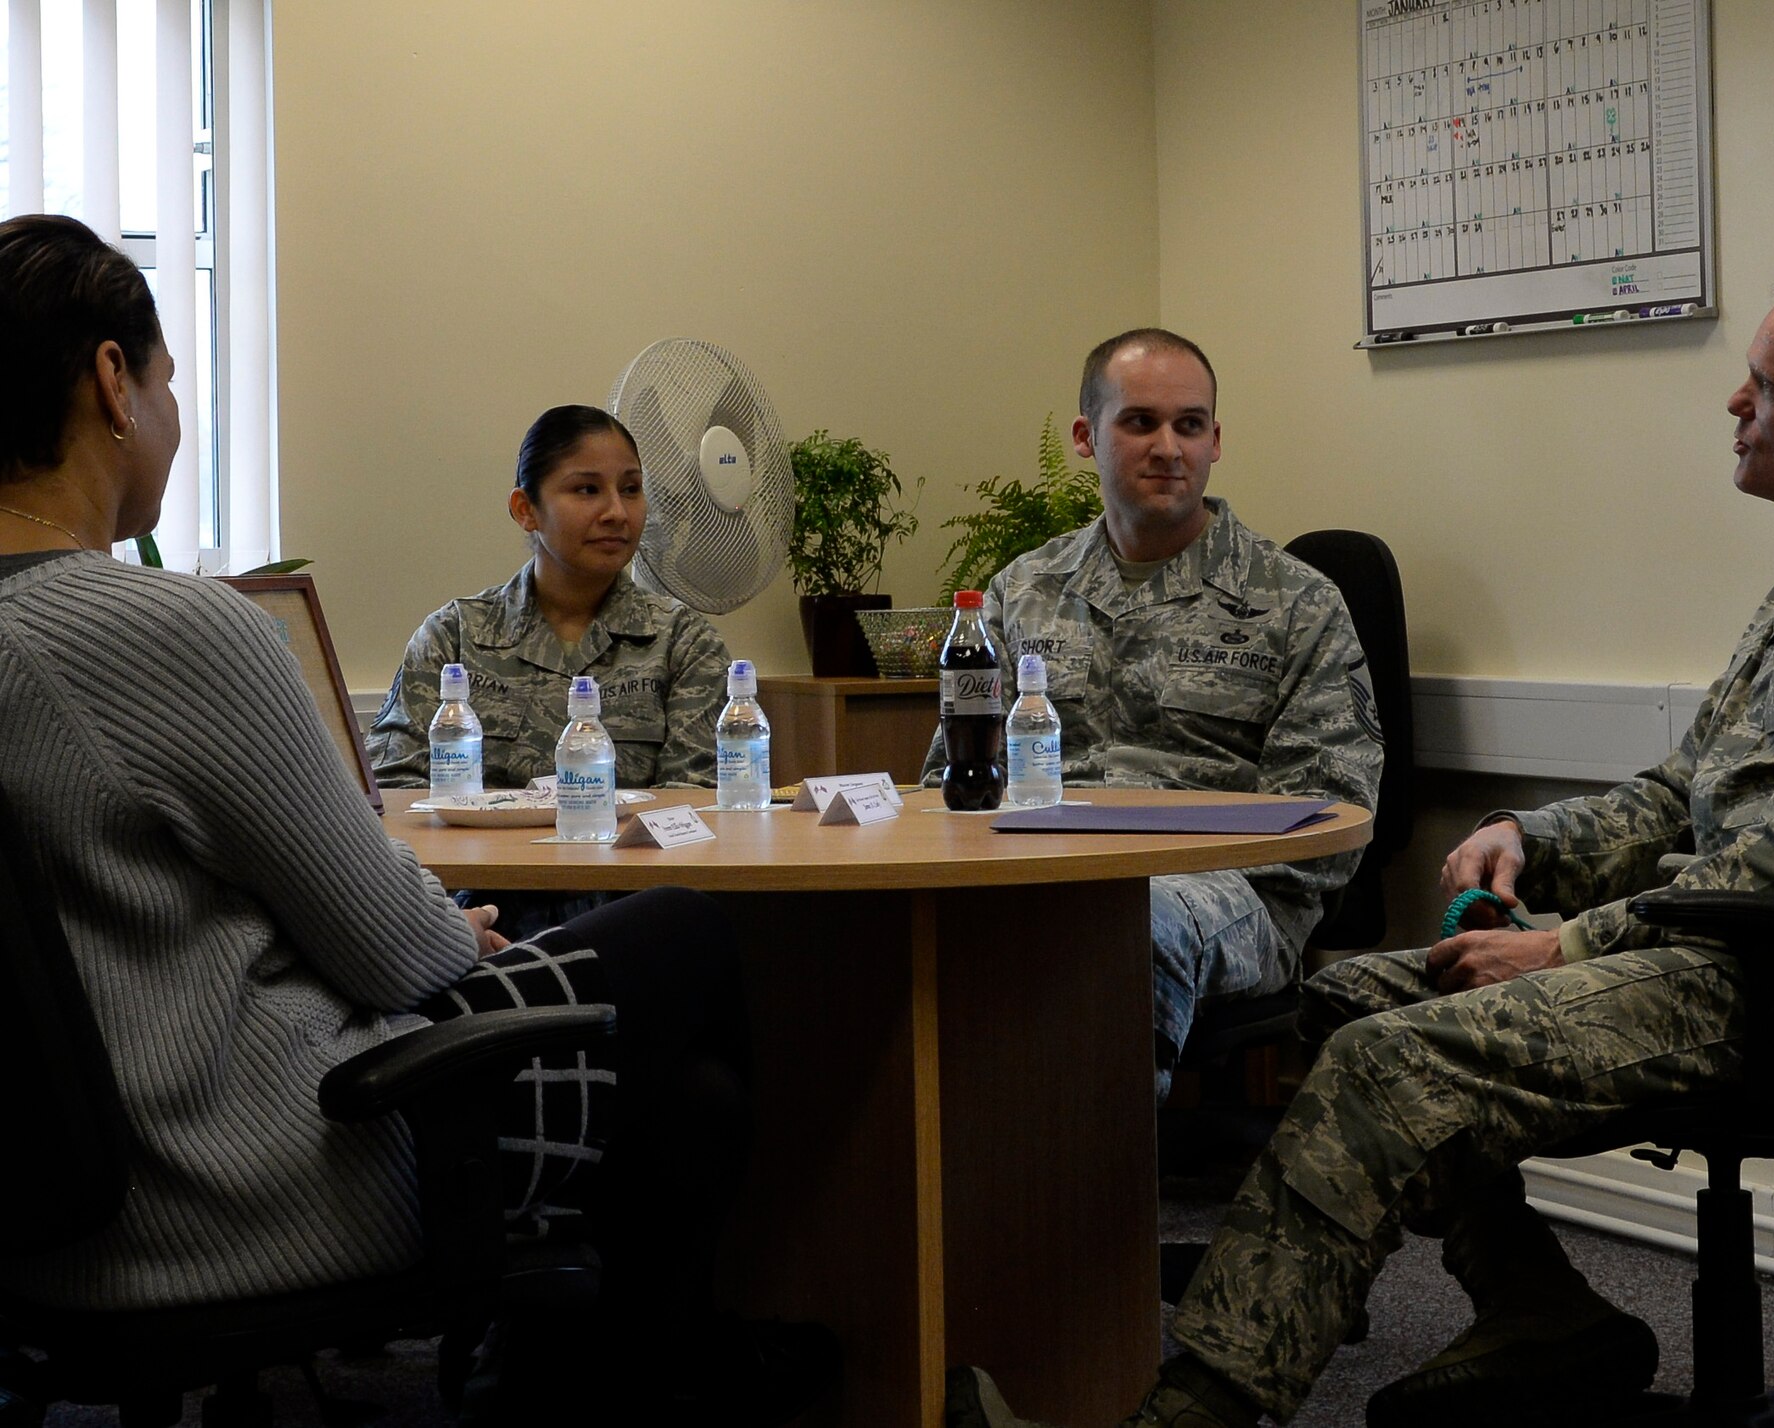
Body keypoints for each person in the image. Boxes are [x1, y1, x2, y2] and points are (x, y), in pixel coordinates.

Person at [947, 274, 1774, 1428]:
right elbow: (1678, 793)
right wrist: (1525, 836)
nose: (1731, 402)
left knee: (1386, 1067)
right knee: (1343, 1008)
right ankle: (1537, 1306)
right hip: (1724, 954)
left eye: (1763, 384)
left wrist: (1562, 946)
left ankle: (1184, 1416)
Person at [0, 214, 831, 1424]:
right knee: (686, 938)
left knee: (689, 1091)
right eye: (170, 378)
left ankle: (594, 1373)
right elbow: (393, 949)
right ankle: (630, 1369)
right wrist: (461, 937)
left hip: (44, 1204)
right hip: (251, 1171)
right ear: (114, 383)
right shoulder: (162, 629)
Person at [923, 328, 1384, 1101]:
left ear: (1215, 442)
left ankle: (1086, 1195)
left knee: (1125, 929)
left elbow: (1328, 818)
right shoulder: (1020, 593)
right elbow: (951, 775)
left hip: (1223, 893)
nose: (1169, 447)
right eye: (1140, 422)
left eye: (1190, 425)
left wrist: (1141, 871)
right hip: (1037, 876)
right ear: (1085, 436)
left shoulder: (1298, 602)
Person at [368, 402, 733, 934]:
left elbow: (691, 813)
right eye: (587, 490)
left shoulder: (683, 642)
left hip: (628, 914)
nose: (617, 512)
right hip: (474, 914)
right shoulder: (455, 636)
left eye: (631, 489)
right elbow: (394, 798)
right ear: (525, 510)